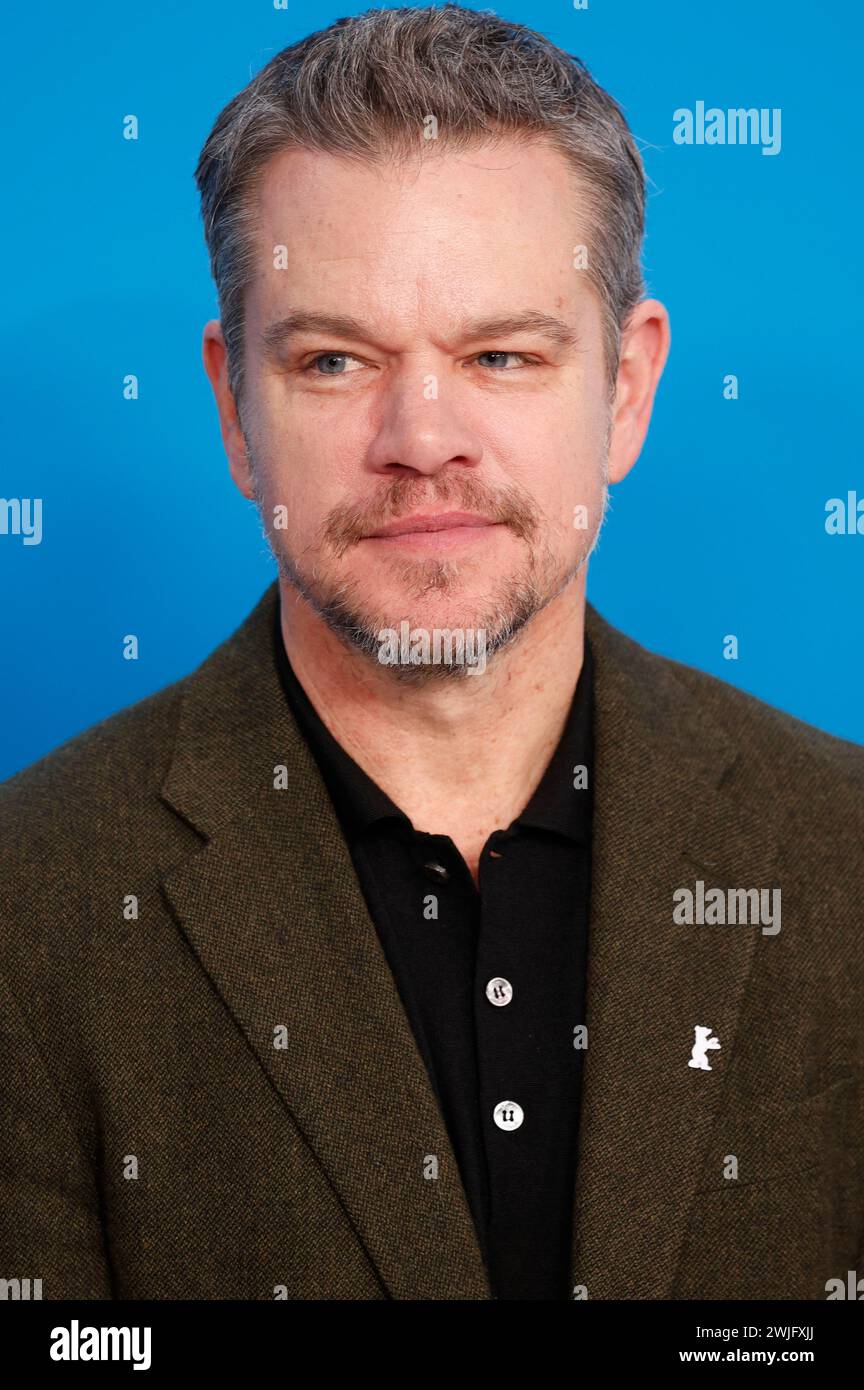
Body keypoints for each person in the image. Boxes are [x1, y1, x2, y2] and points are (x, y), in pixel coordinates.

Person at [1, 5, 861, 1302]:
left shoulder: (843, 850)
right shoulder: (28, 907)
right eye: (336, 358)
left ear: (625, 391)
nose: (423, 437)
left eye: (501, 354)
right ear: (235, 405)